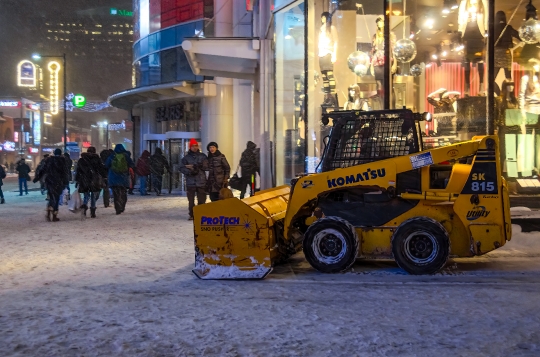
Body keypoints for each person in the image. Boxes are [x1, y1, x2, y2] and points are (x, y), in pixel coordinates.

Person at [33, 148, 69, 222]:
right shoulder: (62, 161)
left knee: (51, 196)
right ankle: (54, 215)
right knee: (57, 197)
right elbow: (65, 172)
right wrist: (66, 182)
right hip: (59, 182)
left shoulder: (49, 160)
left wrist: (37, 178)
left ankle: (49, 212)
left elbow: (42, 170)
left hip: (50, 181)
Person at [179, 139, 208, 220]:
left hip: (201, 181)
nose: (194, 147)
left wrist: (199, 166)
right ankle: (192, 214)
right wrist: (189, 172)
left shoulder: (203, 156)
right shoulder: (186, 158)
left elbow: (207, 167)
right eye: (193, 146)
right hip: (190, 182)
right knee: (191, 201)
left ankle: (201, 214)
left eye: (196, 146)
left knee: (202, 200)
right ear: (190, 147)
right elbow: (181, 168)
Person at [76, 147, 108, 218]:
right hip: (94, 180)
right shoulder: (97, 159)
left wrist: (77, 180)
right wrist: (104, 177)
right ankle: (93, 211)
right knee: (93, 196)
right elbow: (101, 169)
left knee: (86, 195)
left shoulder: (82, 160)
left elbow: (78, 171)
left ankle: (84, 206)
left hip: (85, 180)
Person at [105, 144, 135, 215]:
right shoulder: (126, 156)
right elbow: (132, 164)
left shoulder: (112, 156)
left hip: (114, 179)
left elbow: (106, 165)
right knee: (123, 193)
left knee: (116, 195)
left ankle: (117, 208)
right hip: (123, 178)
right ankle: (122, 206)